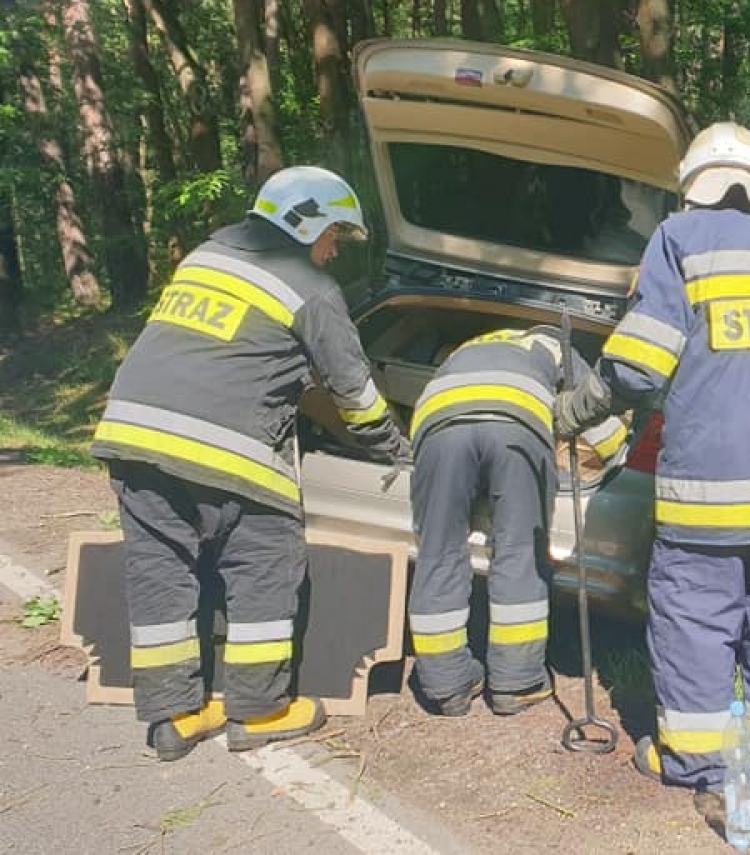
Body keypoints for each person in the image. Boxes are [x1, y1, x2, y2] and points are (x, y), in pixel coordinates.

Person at [555, 122, 750, 791]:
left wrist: (575, 409)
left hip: (707, 494)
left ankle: (695, 762)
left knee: (695, 618)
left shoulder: (679, 240)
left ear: (693, 187)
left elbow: (637, 366)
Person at [90, 166, 410, 761]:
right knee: (265, 563)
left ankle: (173, 716)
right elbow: (354, 394)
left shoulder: (205, 256)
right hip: (225, 448)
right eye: (335, 234)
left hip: (133, 435)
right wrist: (397, 450)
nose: (335, 249)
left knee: (161, 573)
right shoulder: (310, 290)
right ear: (306, 222)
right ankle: (259, 711)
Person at [406, 326, 629, 717]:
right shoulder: (554, 344)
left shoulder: (468, 345)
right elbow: (600, 417)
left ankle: (446, 686)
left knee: (438, 552)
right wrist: (616, 453)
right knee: (519, 551)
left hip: (437, 426)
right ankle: (517, 681)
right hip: (516, 425)